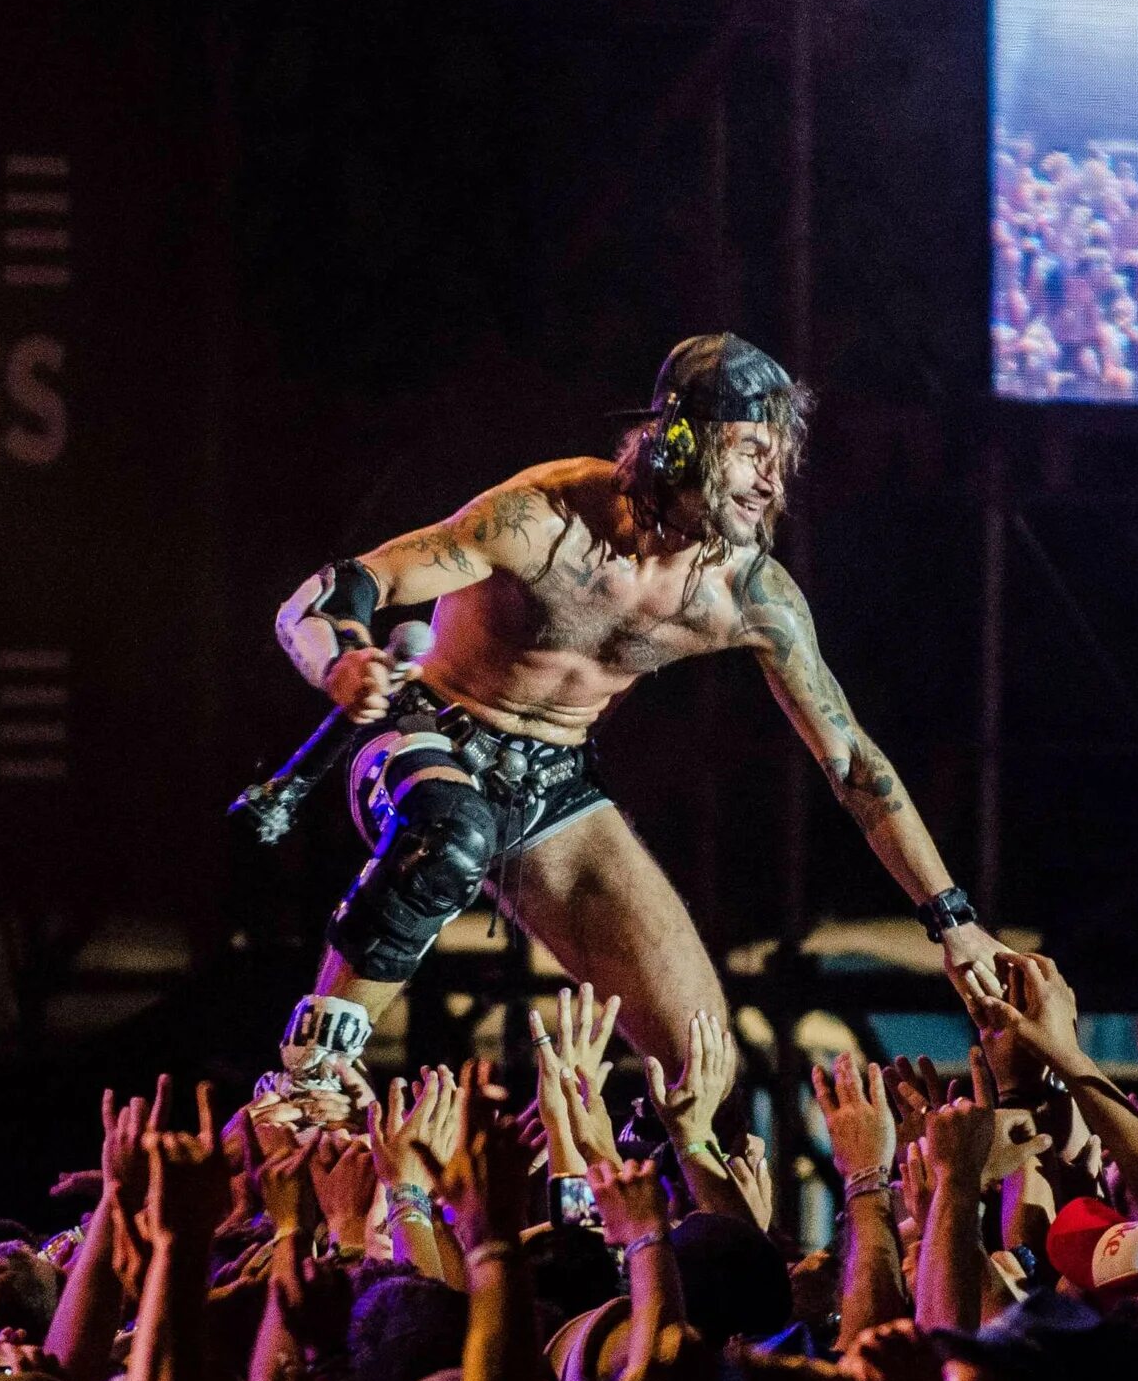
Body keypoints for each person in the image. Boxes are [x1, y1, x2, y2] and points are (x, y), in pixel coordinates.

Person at [258, 332, 1012, 1091]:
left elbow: (853, 764)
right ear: (680, 442)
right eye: (752, 450)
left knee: (702, 1062)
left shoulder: (748, 595)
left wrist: (954, 921)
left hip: (550, 782)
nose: (771, 480)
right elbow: (341, 587)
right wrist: (344, 659)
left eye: (781, 456)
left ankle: (590, 1172)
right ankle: (310, 1077)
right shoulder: (547, 519)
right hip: (421, 733)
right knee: (453, 833)